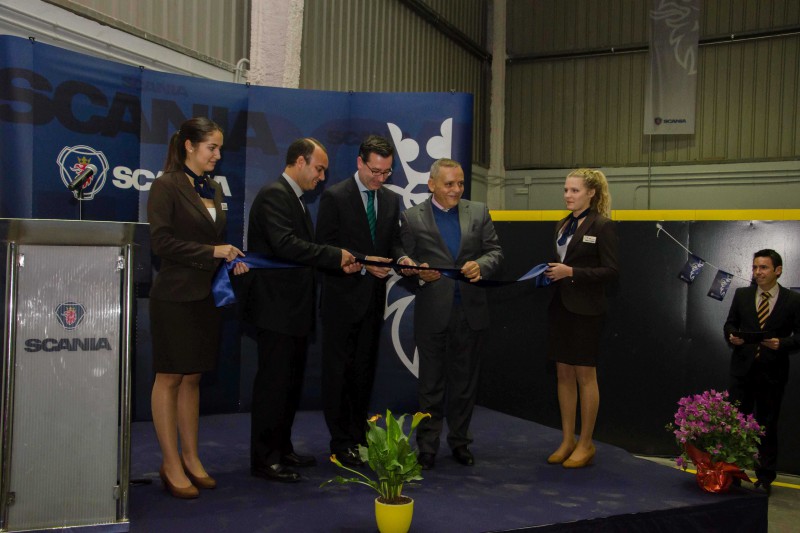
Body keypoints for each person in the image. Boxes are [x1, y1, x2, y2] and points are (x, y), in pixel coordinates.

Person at [244, 137, 360, 483]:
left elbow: (301, 251)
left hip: (292, 311)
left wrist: (338, 262)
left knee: (289, 385)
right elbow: (285, 246)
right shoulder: (274, 195)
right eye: (319, 168)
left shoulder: (291, 197)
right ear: (299, 161)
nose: (322, 177)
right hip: (276, 311)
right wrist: (334, 255)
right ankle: (265, 459)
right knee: (274, 385)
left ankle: (281, 448)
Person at [148, 117, 248, 499]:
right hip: (173, 296)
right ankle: (170, 462)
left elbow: (213, 241)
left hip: (207, 296)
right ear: (189, 145)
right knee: (170, 377)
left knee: (192, 379)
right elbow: (161, 243)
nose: (218, 156)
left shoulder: (213, 189)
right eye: (212, 148)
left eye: (219, 148)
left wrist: (228, 260)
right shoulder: (165, 186)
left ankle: (191, 458)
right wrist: (212, 251)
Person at [399, 158, 503, 470]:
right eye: (449, 184)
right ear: (431, 185)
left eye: (459, 184)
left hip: (470, 314)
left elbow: (495, 253)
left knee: (465, 384)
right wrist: (415, 271)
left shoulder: (479, 212)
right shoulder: (411, 217)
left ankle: (460, 442)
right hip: (432, 313)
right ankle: (427, 447)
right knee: (430, 385)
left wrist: (481, 266)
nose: (456, 189)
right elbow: (401, 257)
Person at [316, 135, 412, 466]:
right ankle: (340, 440)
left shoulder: (388, 200)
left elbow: (394, 243)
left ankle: (359, 437)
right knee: (338, 375)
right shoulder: (335, 197)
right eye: (375, 171)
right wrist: (363, 261)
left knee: (363, 374)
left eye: (386, 173)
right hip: (341, 301)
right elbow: (324, 249)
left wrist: (402, 259)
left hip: (373, 302)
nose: (380, 178)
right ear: (359, 162)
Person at [544, 168, 618, 469]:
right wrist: (551, 273)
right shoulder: (562, 224)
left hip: (588, 310)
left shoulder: (603, 225)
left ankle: (586, 444)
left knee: (586, 376)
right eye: (566, 190)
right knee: (563, 373)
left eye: (574, 190)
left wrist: (571, 272)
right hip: (560, 307)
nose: (568, 196)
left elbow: (611, 271)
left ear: (591, 193)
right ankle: (567, 439)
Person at [724, 249, 800, 493]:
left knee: (767, 425)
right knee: (735, 424)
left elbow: (799, 336)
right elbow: (730, 324)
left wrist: (783, 343)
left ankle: (765, 478)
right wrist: (731, 336)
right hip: (742, 371)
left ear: (777, 270)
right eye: (755, 267)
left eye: (764, 268)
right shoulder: (742, 295)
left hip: (773, 373)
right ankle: (732, 472)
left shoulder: (792, 300)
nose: (758, 272)